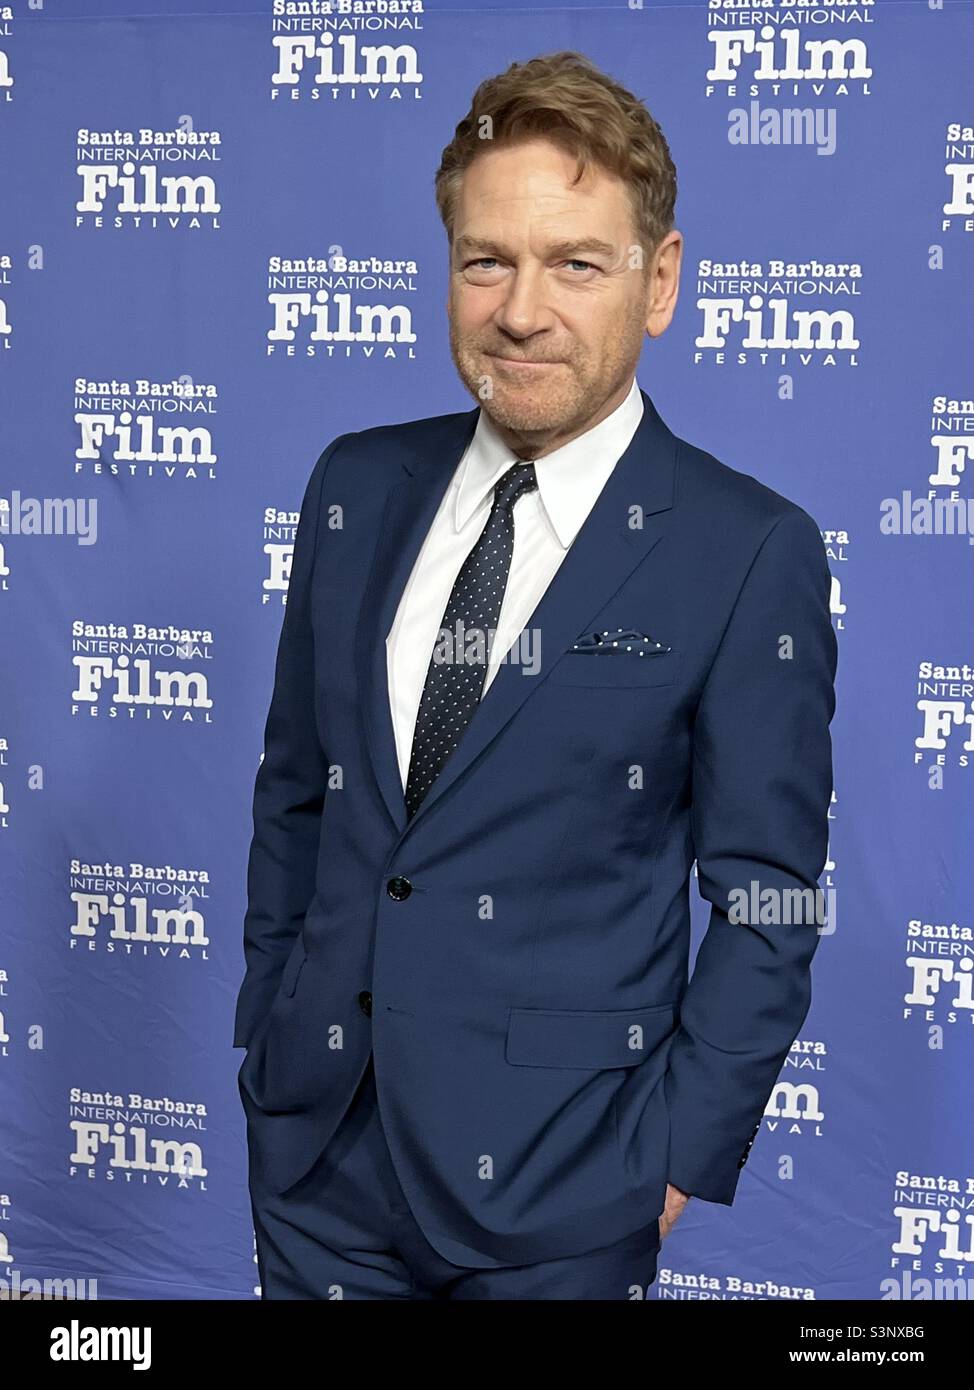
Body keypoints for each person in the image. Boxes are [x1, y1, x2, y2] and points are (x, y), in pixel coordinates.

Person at [234, 50, 838, 1300]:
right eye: (484, 261)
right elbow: (298, 790)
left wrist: (670, 1157)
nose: (521, 310)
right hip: (316, 1168)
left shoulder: (745, 551)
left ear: (656, 281)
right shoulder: (354, 484)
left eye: (575, 262)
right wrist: (269, 1029)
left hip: (562, 1194)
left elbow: (770, 902)